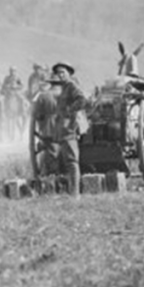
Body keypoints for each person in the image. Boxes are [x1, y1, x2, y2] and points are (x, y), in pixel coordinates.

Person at [50, 62, 87, 197]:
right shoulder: (64, 88)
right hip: (63, 129)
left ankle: (75, 194)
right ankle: (73, 191)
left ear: (69, 74)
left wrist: (69, 111)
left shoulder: (71, 86)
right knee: (67, 161)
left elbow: (82, 100)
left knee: (72, 161)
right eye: (58, 73)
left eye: (62, 72)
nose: (60, 75)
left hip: (69, 128)